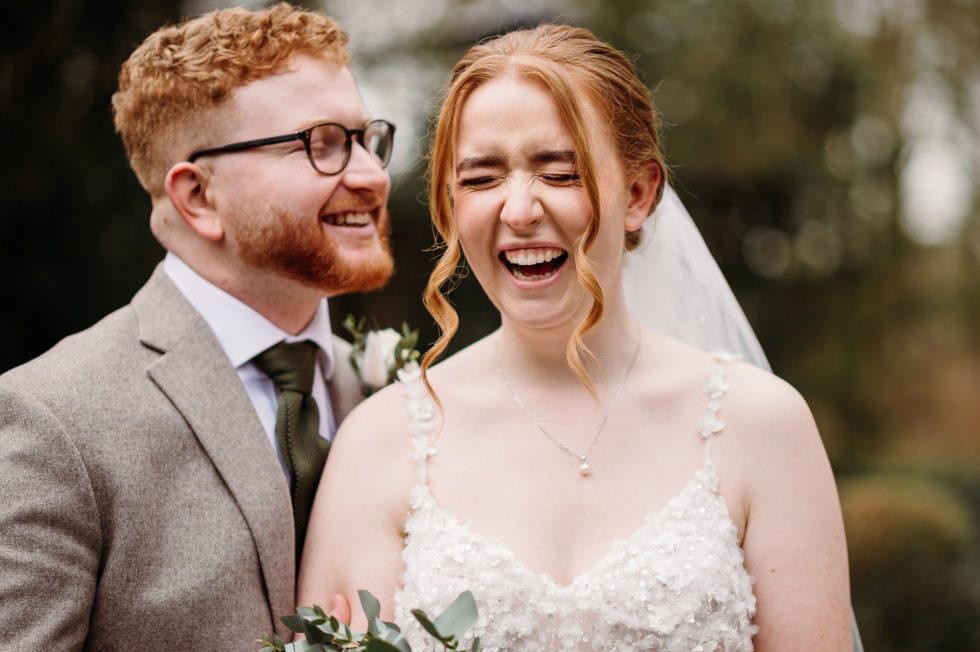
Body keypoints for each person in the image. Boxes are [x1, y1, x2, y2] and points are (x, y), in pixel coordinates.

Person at [299, 23, 855, 651]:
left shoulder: (762, 427)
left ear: (639, 193)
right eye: (481, 179)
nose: (518, 211)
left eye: (560, 173)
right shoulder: (380, 444)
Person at [0, 4, 394, 649]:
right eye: (322, 144)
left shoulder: (390, 397)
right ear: (198, 197)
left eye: (367, 138)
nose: (373, 175)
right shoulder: (52, 420)